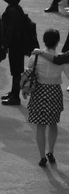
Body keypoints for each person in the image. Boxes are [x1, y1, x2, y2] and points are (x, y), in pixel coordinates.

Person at [26, 30, 69, 166]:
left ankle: (42, 156)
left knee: (40, 125)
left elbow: (28, 70)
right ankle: (51, 152)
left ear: (44, 40)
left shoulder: (36, 56)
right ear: (57, 41)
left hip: (39, 91)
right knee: (53, 123)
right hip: (54, 92)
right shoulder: (61, 58)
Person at [1, 0, 31, 106]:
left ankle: (15, 97)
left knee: (16, 70)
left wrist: (5, 45)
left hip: (16, 44)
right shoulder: (16, 8)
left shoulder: (12, 10)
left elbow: (11, 30)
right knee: (16, 70)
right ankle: (13, 92)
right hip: (18, 44)